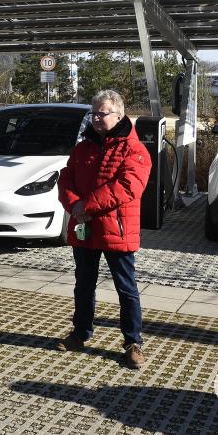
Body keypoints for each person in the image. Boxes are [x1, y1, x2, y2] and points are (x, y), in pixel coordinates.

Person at [56, 89, 151, 369]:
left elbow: (127, 187)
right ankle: (80, 333)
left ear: (119, 114)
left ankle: (133, 342)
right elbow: (66, 178)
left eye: (103, 113)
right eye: (94, 113)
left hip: (117, 230)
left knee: (126, 288)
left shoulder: (134, 150)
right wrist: (74, 205)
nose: (97, 118)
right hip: (85, 228)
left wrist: (86, 206)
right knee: (83, 285)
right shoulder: (83, 147)